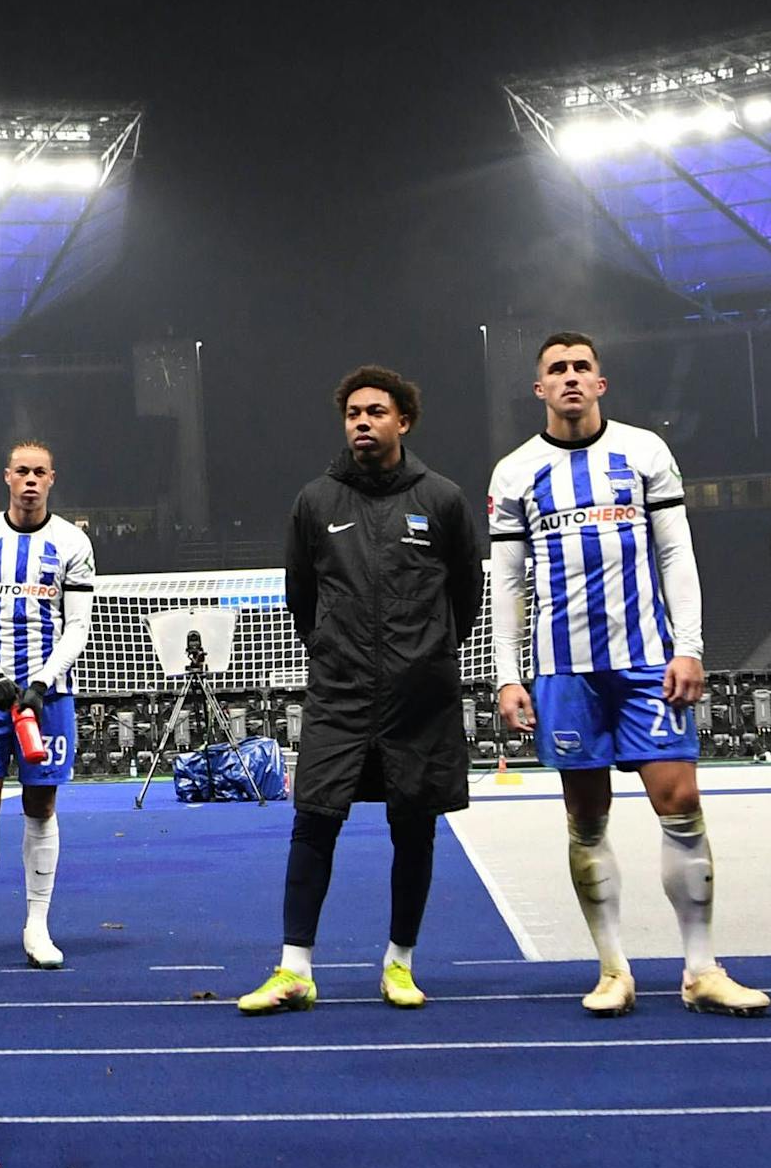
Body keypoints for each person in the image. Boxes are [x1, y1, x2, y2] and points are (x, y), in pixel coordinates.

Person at [489, 332, 767, 1017]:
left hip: (648, 663)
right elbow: (507, 583)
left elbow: (676, 553)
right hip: (563, 671)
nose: (571, 378)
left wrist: (690, 647)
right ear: (540, 389)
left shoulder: (644, 452)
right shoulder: (515, 472)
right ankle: (613, 969)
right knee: (586, 820)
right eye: (557, 370)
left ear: (601, 383)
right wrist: (506, 674)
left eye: (582, 367)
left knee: (681, 808)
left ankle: (701, 968)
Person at [240, 366, 481, 1014]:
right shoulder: (314, 503)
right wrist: (336, 651)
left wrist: (424, 656)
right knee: (313, 819)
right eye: (352, 413)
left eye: (376, 411)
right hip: (340, 693)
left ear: (404, 420)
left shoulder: (444, 500)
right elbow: (302, 600)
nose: (362, 422)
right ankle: (294, 969)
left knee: (415, 828)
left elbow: (466, 595)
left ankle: (399, 965)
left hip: (419, 699)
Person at [0, 441, 96, 970]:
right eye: (22, 472)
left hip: (48, 696)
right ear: (6, 476)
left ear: (52, 479)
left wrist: (41, 681)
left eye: (40, 473)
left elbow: (77, 625)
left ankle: (37, 925)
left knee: (41, 806)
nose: (30, 480)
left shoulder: (72, 543)